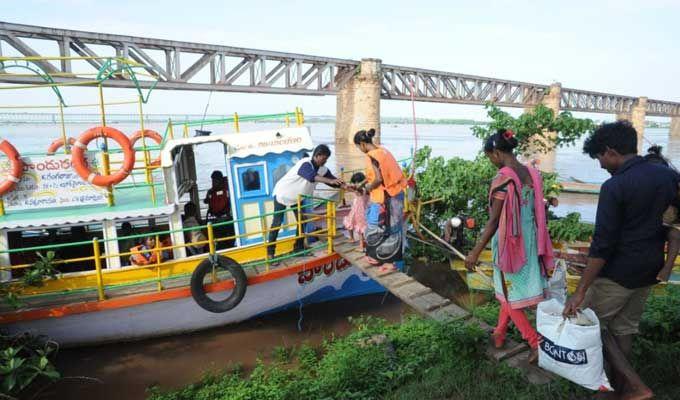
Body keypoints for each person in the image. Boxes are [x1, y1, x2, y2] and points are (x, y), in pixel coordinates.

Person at [562, 121, 678, 400]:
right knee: (623, 329)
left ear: (611, 151)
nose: (601, 165)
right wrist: (667, 264)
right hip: (649, 269)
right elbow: (675, 224)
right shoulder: (667, 176)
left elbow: (603, 245)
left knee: (588, 325)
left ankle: (634, 385)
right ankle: (617, 390)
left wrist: (580, 291)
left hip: (617, 273)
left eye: (600, 158)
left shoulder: (615, 186)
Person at [464, 129, 554, 363]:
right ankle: (499, 334)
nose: (491, 162)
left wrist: (475, 252)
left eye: (489, 157)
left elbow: (494, 221)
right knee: (509, 290)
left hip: (510, 244)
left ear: (495, 152)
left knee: (506, 295)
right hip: (530, 240)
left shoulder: (503, 178)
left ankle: (536, 343)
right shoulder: (531, 173)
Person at [268, 145, 343, 260]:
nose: (325, 161)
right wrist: (331, 180)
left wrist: (347, 186)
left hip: (297, 198)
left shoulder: (323, 169)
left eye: (327, 159)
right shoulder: (305, 164)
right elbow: (311, 176)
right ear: (317, 156)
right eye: (323, 159)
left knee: (302, 221)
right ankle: (270, 254)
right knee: (277, 224)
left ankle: (298, 247)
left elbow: (333, 182)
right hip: (283, 194)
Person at [353, 128, 408, 272]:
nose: (360, 150)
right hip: (393, 193)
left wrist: (366, 189)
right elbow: (375, 173)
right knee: (382, 225)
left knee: (388, 227)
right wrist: (361, 184)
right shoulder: (383, 151)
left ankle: (390, 262)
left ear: (362, 144)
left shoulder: (372, 156)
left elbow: (378, 179)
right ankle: (376, 256)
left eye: (358, 147)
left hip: (387, 196)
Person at [643, 145, 680, 282]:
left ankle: (667, 268)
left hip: (661, 230)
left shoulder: (672, 193)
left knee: (674, 234)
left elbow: (674, 230)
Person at [204, 170, 235, 249]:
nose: (213, 182)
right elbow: (207, 200)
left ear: (220, 180)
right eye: (212, 180)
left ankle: (223, 246)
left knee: (218, 231)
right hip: (217, 218)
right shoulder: (212, 191)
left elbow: (222, 205)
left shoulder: (226, 190)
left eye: (215, 180)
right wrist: (208, 197)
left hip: (226, 218)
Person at [343, 172, 369, 251]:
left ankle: (361, 246)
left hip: (360, 211)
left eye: (356, 182)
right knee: (349, 222)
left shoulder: (362, 190)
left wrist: (353, 187)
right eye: (354, 182)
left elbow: (358, 190)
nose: (355, 184)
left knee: (360, 228)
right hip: (355, 209)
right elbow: (349, 188)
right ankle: (351, 238)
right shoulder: (364, 189)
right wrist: (345, 186)